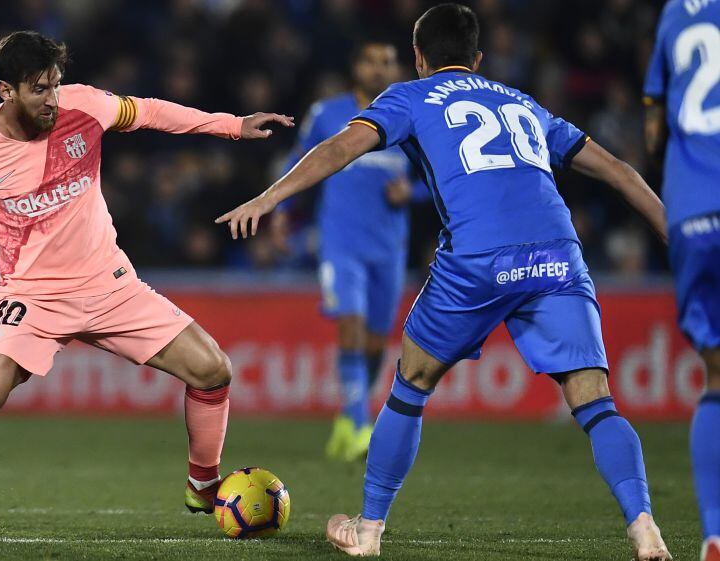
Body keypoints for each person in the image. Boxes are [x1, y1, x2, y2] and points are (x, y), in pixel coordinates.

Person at [217, 5, 671, 559]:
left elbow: (339, 148)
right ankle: (644, 525)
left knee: (411, 383)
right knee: (596, 401)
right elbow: (623, 173)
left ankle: (370, 530)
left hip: (478, 259)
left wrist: (269, 198)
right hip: (558, 256)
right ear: (478, 60)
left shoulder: (410, 96)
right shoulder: (524, 103)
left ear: (417, 57)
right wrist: (682, 243)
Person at [0, 30, 292, 540]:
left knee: (213, 369)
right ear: (6, 91)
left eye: (55, 84)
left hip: (110, 284)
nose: (52, 98)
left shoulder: (87, 106)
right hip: (31, 297)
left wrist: (232, 126)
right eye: (39, 89)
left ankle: (202, 484)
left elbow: (150, 111)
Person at [274, 39, 420, 462]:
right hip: (341, 243)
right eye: (372, 61)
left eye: (388, 62)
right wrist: (282, 211)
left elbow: (438, 180)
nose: (379, 69)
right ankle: (359, 425)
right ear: (356, 67)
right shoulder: (328, 114)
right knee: (350, 326)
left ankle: (348, 416)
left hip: (389, 247)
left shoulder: (409, 116)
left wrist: (411, 191)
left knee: (376, 343)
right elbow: (298, 163)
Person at [643, 2, 720, 560]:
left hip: (691, 210)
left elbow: (654, 123)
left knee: (715, 375)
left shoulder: (674, 13)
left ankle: (715, 534)